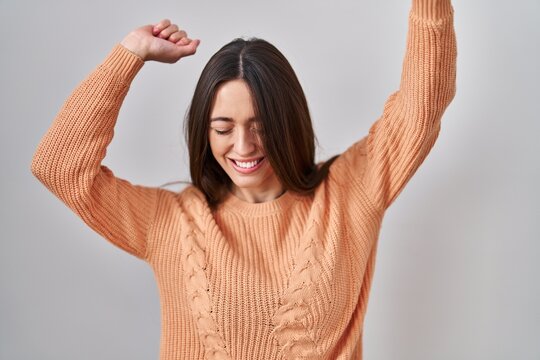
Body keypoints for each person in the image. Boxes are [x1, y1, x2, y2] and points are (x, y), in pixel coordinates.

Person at [31, 0, 456, 358]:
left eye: (261, 124)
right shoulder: (171, 221)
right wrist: (129, 53)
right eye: (223, 128)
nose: (244, 145)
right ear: (204, 130)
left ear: (287, 122)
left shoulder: (348, 193)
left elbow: (422, 108)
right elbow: (59, 166)